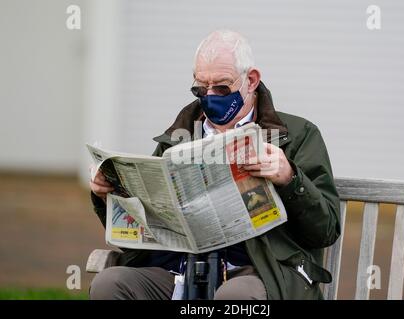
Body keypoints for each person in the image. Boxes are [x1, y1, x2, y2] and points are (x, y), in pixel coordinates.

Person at [88, 30, 341, 300]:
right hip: (179, 272)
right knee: (110, 284)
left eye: (222, 87)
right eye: (200, 88)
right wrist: (107, 196)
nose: (210, 96)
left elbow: (325, 230)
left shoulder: (298, 135)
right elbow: (140, 235)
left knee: (235, 297)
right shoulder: (178, 138)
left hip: (261, 274)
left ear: (251, 80)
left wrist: (290, 178)